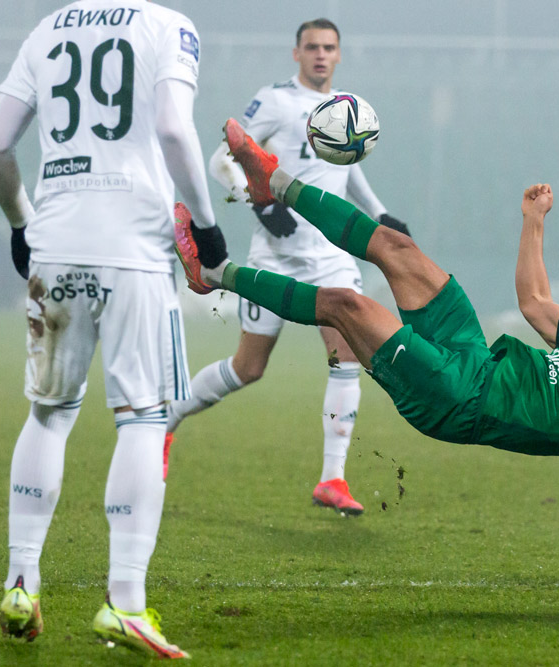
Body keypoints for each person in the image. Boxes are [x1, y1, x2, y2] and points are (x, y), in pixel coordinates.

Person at [173, 121, 559, 603]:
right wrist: (533, 220)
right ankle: (276, 184)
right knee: (395, 246)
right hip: (473, 353)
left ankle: (213, 273)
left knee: (347, 305)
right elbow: (533, 300)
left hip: (458, 400)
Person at [0, 0, 227, 657]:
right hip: (135, 248)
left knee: (49, 414)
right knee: (144, 417)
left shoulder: (48, 27)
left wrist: (20, 223)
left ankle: (20, 584)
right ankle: (125, 601)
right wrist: (205, 225)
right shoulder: (165, 24)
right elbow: (175, 129)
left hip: (55, 241)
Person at [166, 18, 409, 516]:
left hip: (332, 257)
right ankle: (164, 422)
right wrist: (260, 205)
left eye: (329, 47)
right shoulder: (275, 101)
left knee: (346, 357)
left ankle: (333, 479)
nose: (321, 55)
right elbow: (222, 160)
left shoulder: (343, 108)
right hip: (275, 256)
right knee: (247, 368)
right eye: (312, 47)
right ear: (296, 53)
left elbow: (348, 164)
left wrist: (379, 212)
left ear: (339, 54)